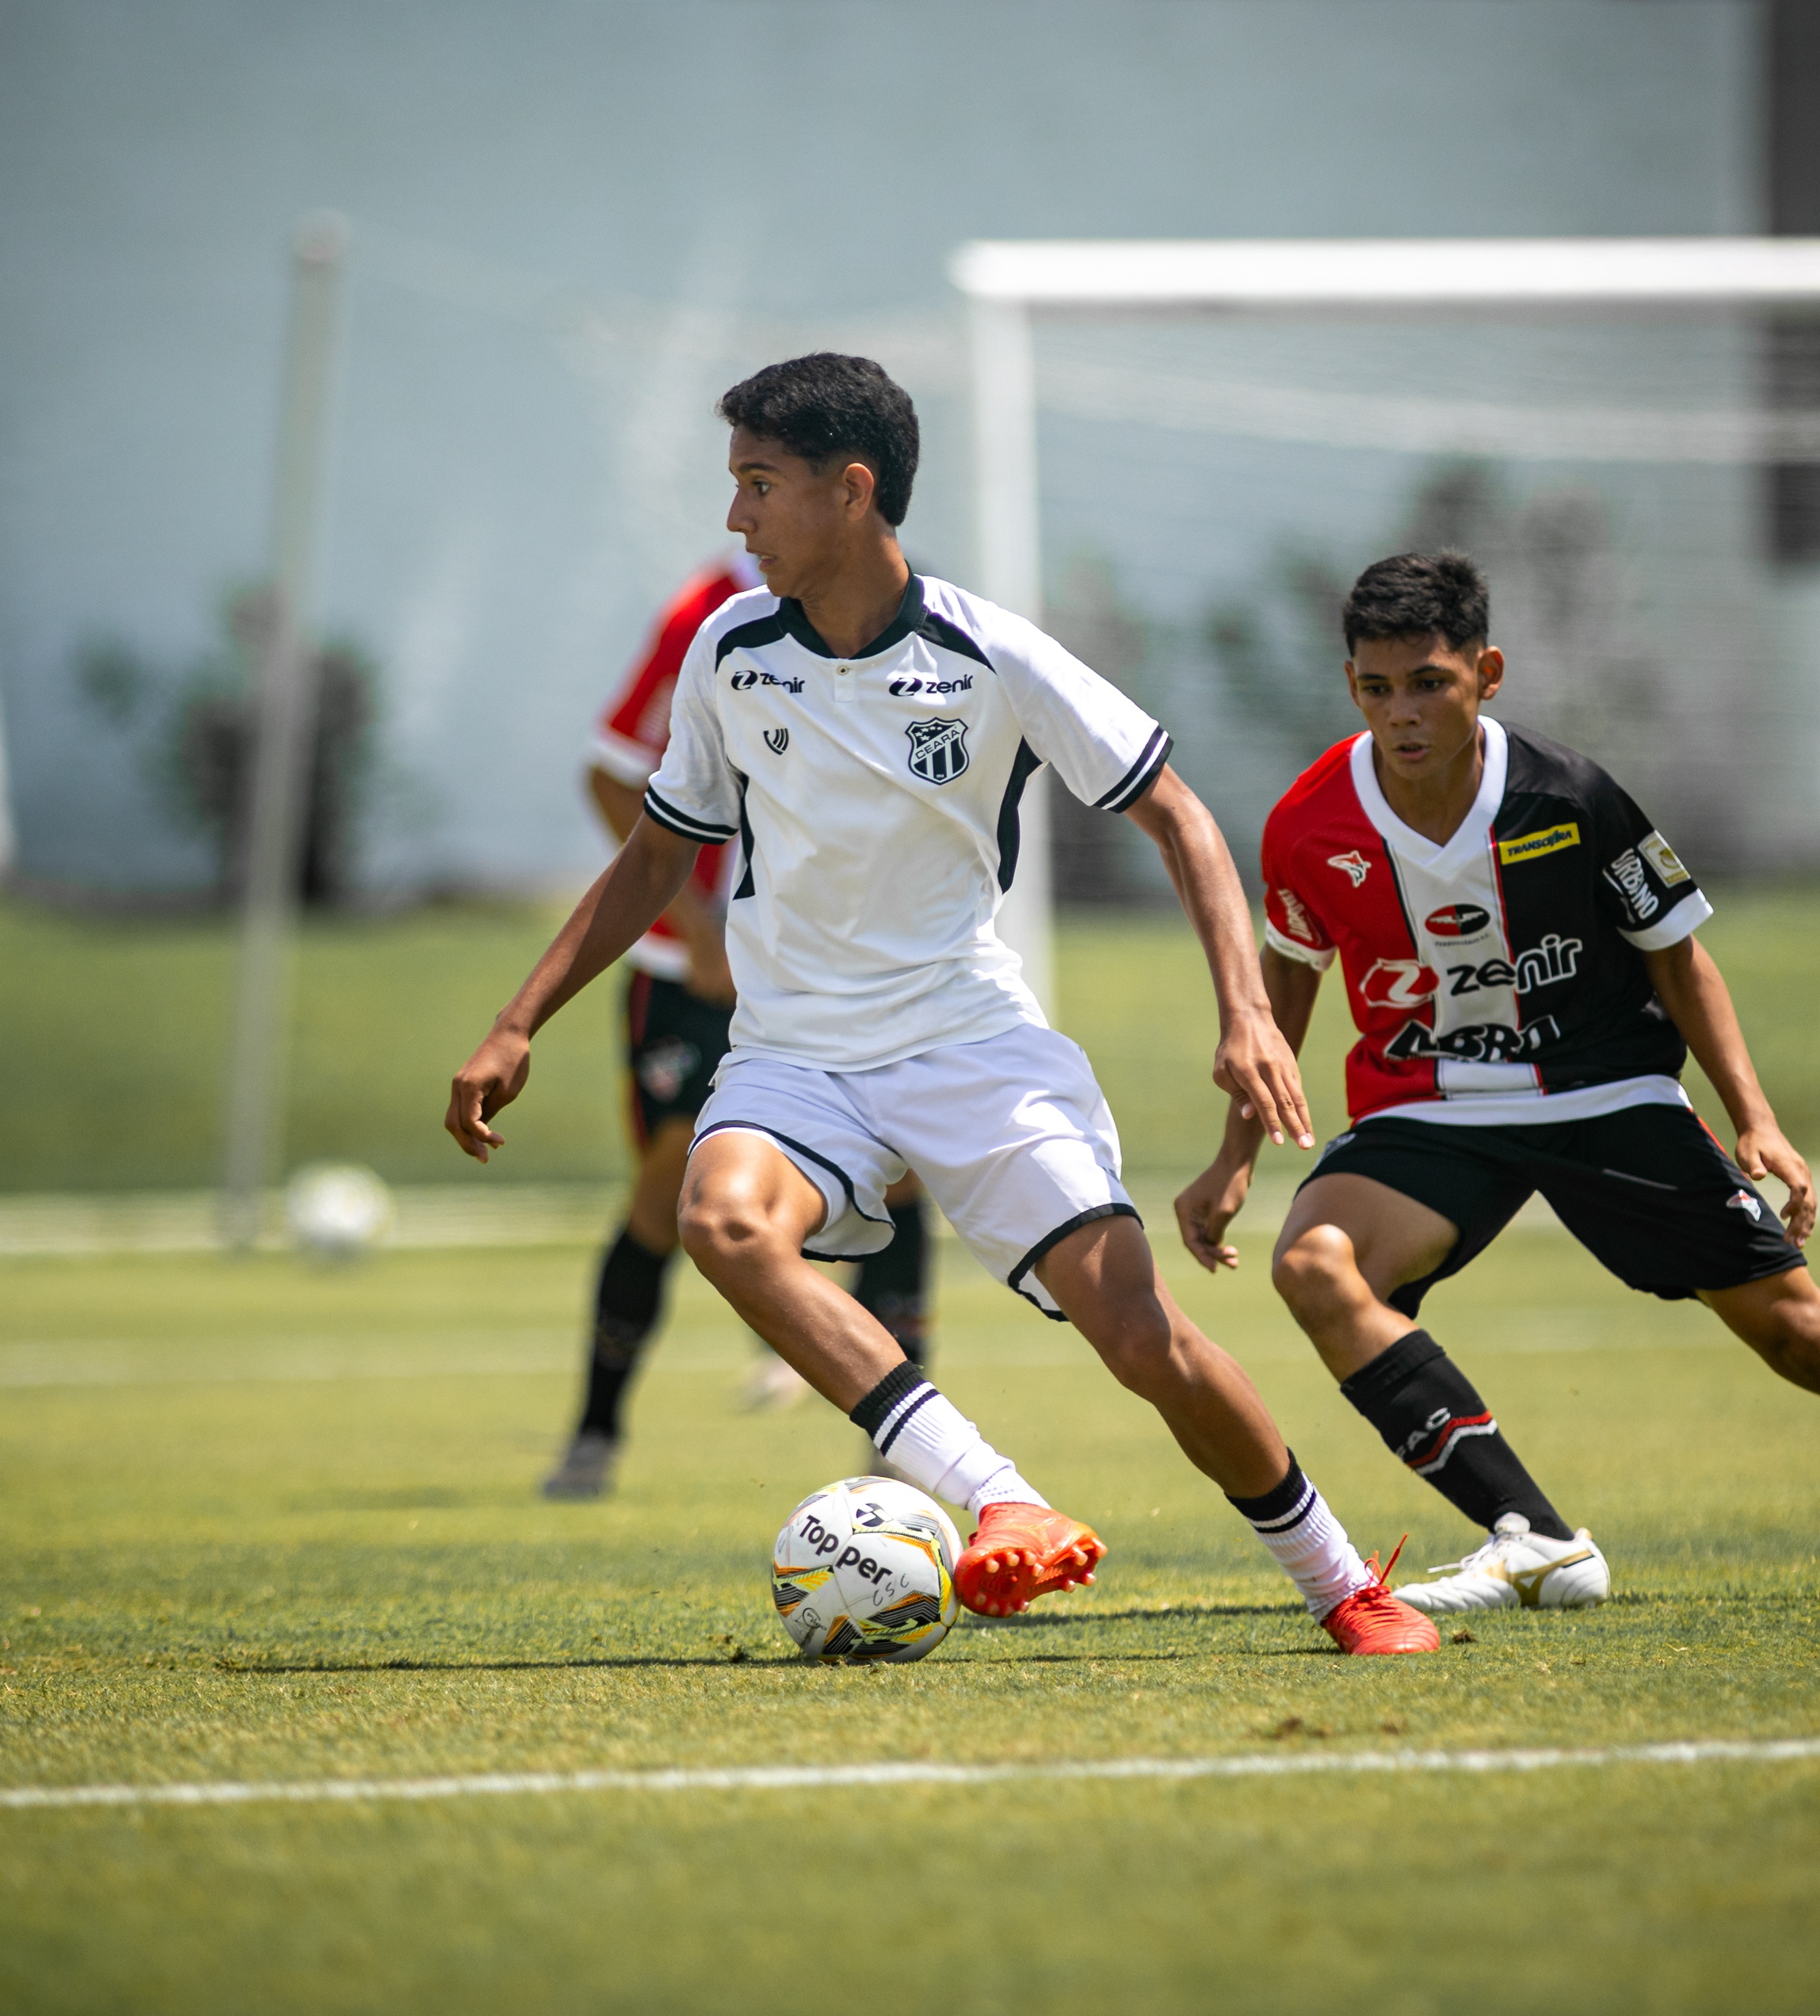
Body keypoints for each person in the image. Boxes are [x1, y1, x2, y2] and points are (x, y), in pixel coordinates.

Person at [448, 353, 1437, 1652]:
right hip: (795, 1050)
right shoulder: (728, 651)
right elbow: (649, 852)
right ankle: (1000, 1497)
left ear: (851, 492)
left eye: (758, 484)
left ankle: (1342, 1580)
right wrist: (520, 1018)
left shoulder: (992, 651)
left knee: (1141, 1335)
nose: (735, 516)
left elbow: (1180, 816)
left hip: (971, 1046)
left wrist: (1247, 1013)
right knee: (724, 1219)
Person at [1174, 550, 1820, 1613]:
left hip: (1607, 1091)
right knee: (1317, 1268)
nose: (1403, 712)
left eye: (1430, 682)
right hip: (1431, 1102)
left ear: (1487, 673)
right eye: (1378, 688)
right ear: (1351, 687)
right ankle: (1537, 1542)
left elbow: (1678, 957)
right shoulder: (1307, 823)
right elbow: (1286, 986)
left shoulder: (1572, 796)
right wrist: (1234, 1155)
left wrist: (1759, 1121)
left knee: (1805, 1337)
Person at [540, 554, 938, 1499]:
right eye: (745, 482)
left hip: (842, 969)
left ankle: (900, 1442)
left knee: (905, 1173)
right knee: (673, 1188)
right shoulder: (705, 614)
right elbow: (608, 775)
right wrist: (696, 926)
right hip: (697, 976)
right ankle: (595, 1434)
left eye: (760, 483)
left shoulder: (900, 613)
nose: (745, 512)